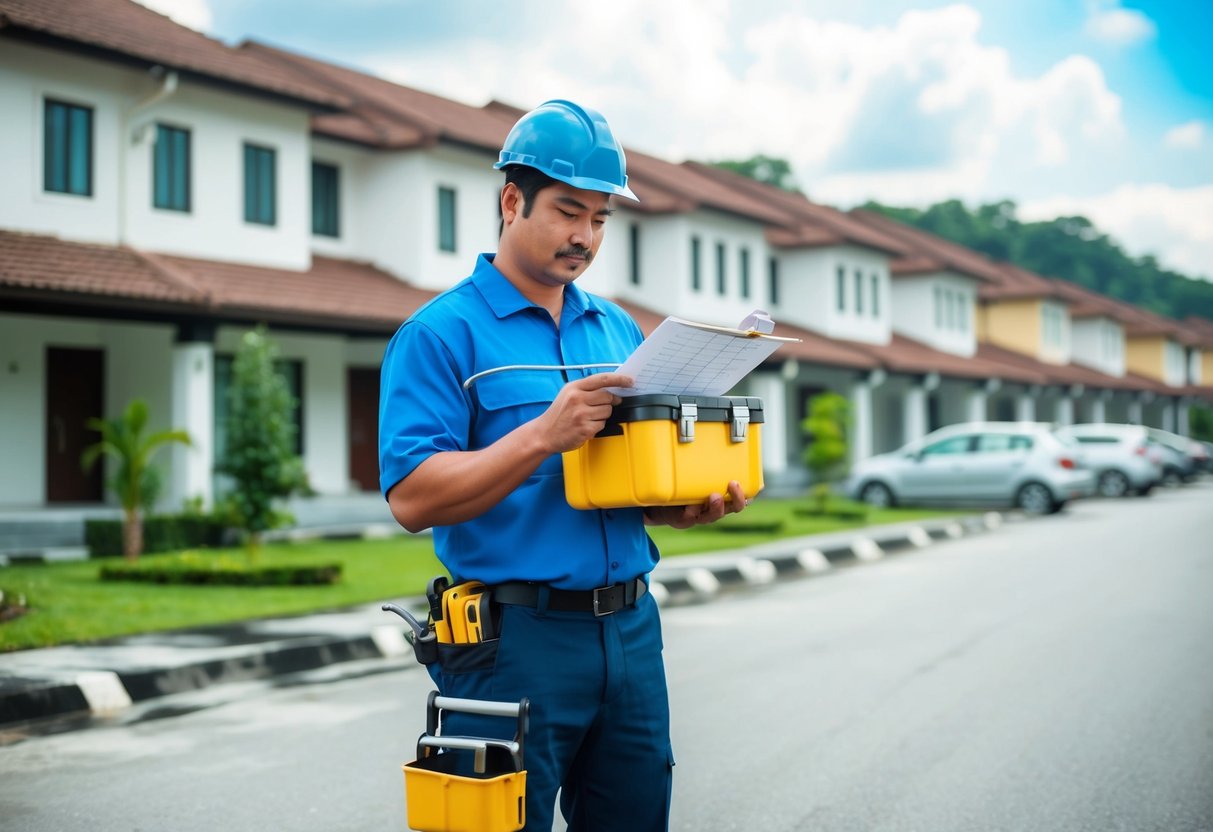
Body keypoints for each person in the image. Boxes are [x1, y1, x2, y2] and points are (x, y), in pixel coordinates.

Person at [379, 99, 748, 831]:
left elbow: (621, 477)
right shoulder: (438, 335)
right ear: (512, 200)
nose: (584, 236)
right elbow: (412, 499)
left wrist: (678, 507)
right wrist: (540, 437)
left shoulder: (616, 328)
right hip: (515, 644)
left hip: (630, 631)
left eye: (601, 219)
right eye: (567, 211)